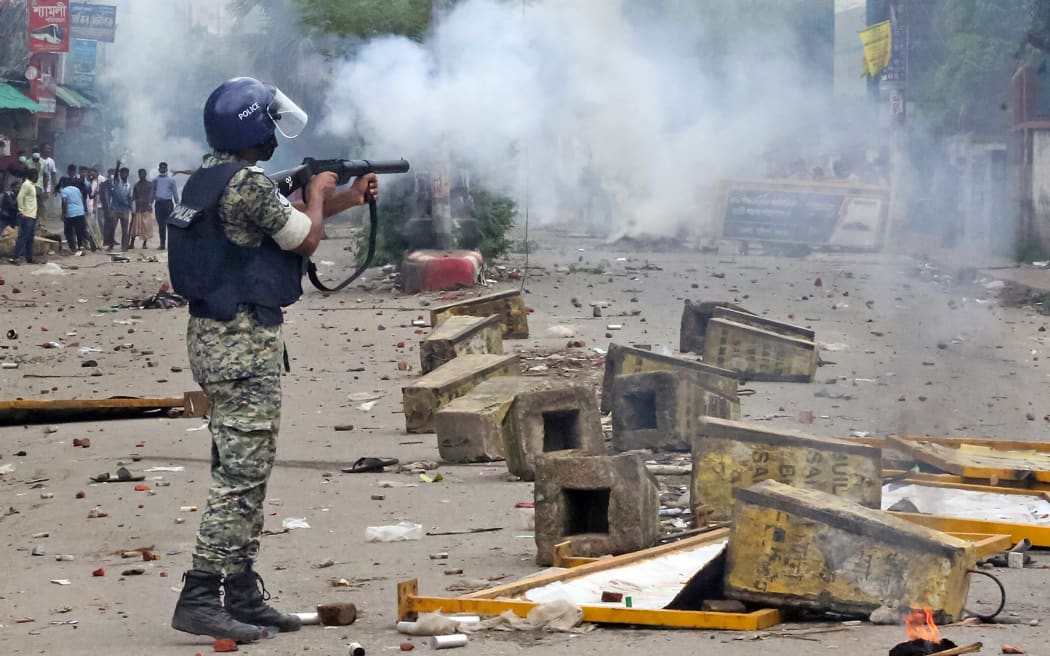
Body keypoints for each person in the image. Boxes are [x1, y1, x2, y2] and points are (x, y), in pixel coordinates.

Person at [167, 76, 378, 642]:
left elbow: (286, 225)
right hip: (239, 342)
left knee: (244, 466)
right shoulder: (248, 184)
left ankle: (239, 591)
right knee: (240, 474)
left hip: (219, 337)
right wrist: (319, 185)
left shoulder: (212, 180)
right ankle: (199, 593)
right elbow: (305, 239)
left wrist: (346, 196)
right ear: (255, 126)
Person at [59, 175, 95, 254]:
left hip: (70, 213)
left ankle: (73, 248)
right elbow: (81, 199)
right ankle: (86, 241)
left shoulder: (64, 191)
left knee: (68, 231)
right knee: (80, 230)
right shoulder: (77, 189)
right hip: (80, 212)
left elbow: (64, 202)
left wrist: (63, 213)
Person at [13, 168, 38, 264]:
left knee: (30, 237)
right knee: (23, 236)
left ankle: (29, 257)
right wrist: (21, 211)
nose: (36, 177)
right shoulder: (26, 184)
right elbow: (20, 197)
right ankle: (16, 257)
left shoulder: (32, 185)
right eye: (36, 175)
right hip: (26, 215)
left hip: (32, 215)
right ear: (33, 175)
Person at [153, 161, 178, 250]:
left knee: (170, 225)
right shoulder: (155, 180)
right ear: (159, 169)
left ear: (166, 169)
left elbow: (175, 193)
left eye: (164, 167)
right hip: (159, 203)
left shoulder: (171, 180)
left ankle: (171, 244)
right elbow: (153, 192)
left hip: (168, 203)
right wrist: (150, 202)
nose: (162, 169)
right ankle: (162, 244)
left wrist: (177, 204)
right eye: (161, 167)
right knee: (161, 225)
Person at [108, 165, 133, 251]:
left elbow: (129, 198)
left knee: (125, 229)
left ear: (128, 174)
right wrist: (117, 166)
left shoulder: (129, 186)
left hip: (125, 209)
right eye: (122, 173)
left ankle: (124, 246)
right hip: (115, 208)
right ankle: (110, 245)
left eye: (125, 173)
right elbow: (115, 176)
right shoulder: (116, 182)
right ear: (120, 174)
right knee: (112, 227)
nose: (124, 174)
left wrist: (132, 209)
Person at [130, 168, 154, 249]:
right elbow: (133, 197)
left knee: (146, 227)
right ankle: (131, 243)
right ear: (138, 175)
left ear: (145, 174)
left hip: (146, 208)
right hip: (138, 208)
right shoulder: (136, 185)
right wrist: (133, 208)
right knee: (134, 227)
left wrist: (150, 204)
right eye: (140, 174)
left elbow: (151, 196)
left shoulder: (150, 184)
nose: (141, 175)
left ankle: (144, 244)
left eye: (143, 173)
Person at [98, 168, 114, 248]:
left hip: (111, 207)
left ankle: (110, 240)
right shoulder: (104, 184)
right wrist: (107, 208)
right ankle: (107, 241)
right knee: (107, 224)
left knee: (110, 224)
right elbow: (104, 197)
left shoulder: (112, 184)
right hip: (106, 207)